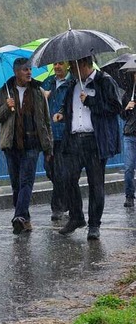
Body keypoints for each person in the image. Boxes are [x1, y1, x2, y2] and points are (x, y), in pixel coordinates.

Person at [54, 56, 121, 239]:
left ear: (84, 65)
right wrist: (61, 114)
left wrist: (91, 101)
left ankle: (94, 225)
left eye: (73, 67)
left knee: (96, 184)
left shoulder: (104, 81)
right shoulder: (72, 85)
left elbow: (116, 107)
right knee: (67, 178)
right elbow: (68, 107)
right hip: (74, 139)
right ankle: (76, 217)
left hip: (95, 141)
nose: (70, 71)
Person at [0, 57, 53, 234]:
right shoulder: (4, 92)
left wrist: (48, 147)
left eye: (30, 69)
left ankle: (18, 216)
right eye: (25, 70)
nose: (29, 72)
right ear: (16, 72)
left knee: (26, 181)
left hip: (32, 144)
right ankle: (25, 218)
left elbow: (46, 120)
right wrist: (5, 107)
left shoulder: (37, 91)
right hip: (11, 145)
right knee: (16, 184)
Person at [41, 61, 71, 220]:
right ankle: (67, 198)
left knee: (60, 171)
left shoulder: (72, 83)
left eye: (61, 64)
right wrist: (43, 96)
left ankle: (57, 207)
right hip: (48, 134)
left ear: (67, 65)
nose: (57, 66)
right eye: (55, 64)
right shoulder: (48, 82)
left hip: (65, 134)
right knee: (49, 169)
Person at [121, 72, 136, 208]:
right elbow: (122, 115)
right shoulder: (128, 94)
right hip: (130, 135)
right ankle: (129, 196)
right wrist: (127, 108)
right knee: (129, 168)